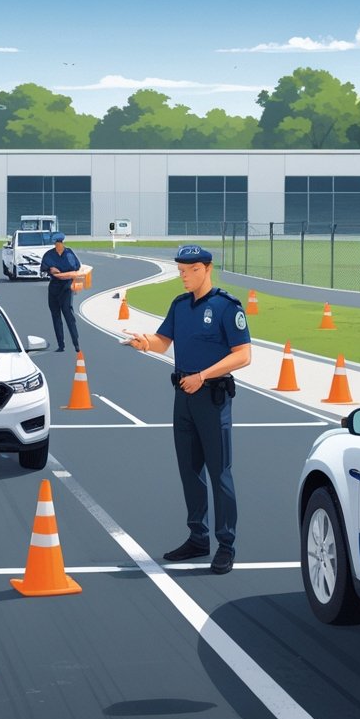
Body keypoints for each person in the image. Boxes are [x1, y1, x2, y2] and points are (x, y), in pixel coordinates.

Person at [122, 245, 251, 574]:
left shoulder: (226, 306)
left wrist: (203, 376)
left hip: (212, 398)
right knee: (190, 472)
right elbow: (163, 341)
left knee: (219, 473)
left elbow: (243, 355)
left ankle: (226, 544)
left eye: (186, 270)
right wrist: (144, 343)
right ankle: (198, 537)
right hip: (184, 396)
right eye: (179, 270)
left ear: (205, 269)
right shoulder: (179, 306)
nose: (181, 275)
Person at [38, 232, 82, 352]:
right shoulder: (49, 255)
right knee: (56, 316)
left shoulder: (69, 254)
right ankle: (61, 345)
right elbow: (42, 270)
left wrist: (65, 276)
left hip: (66, 287)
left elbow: (76, 268)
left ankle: (76, 343)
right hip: (54, 287)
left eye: (59, 243)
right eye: (57, 243)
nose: (58, 245)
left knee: (68, 314)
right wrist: (50, 270)